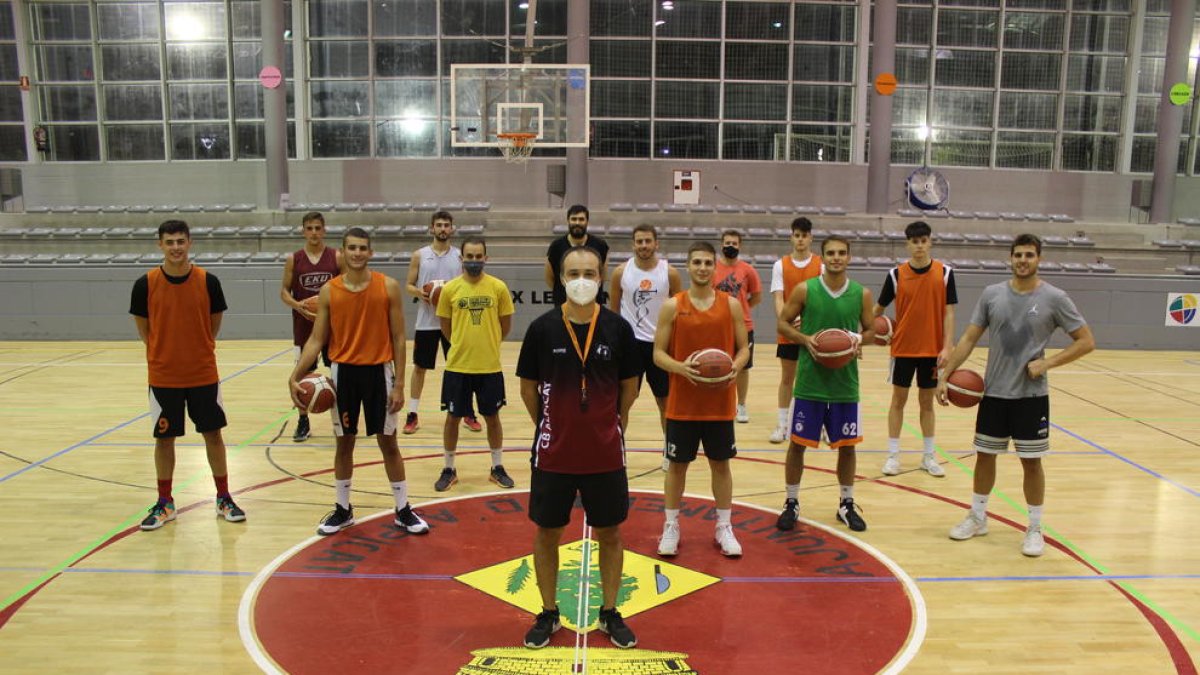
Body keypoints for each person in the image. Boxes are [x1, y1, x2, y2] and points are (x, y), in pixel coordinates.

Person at [939, 233, 1094, 557]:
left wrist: (1048, 362)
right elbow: (968, 338)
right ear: (1010, 259)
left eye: (1029, 255)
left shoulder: (1055, 298)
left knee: (1032, 463)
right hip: (994, 393)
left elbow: (1085, 340)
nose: (1023, 260)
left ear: (1039, 259)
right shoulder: (992, 295)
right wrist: (945, 375)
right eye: (1018, 255)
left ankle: (1034, 527)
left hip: (1031, 397)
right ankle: (978, 516)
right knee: (984, 456)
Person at [517, 246, 640, 650]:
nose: (582, 279)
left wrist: (610, 423)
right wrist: (552, 424)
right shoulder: (541, 329)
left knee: (610, 531)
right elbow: (528, 387)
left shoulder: (619, 329)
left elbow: (629, 386)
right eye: (574, 272)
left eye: (589, 272)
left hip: (605, 452)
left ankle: (609, 611)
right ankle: (549, 611)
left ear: (601, 277)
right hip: (555, 453)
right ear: (561, 278)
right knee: (547, 531)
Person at [288, 227, 430, 537]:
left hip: (380, 373)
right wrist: (295, 375)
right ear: (342, 252)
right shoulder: (329, 291)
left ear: (370, 252)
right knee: (344, 444)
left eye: (362, 248)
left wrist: (400, 384)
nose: (357, 253)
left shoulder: (388, 287)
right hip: (343, 374)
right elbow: (316, 339)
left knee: (388, 443)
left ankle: (403, 509)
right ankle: (343, 509)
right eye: (351, 248)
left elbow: (399, 338)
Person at [130, 220, 245, 531]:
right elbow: (144, 330)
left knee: (213, 435)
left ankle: (223, 496)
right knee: (164, 439)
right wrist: (163, 351)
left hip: (203, 373)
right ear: (160, 245)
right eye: (170, 242)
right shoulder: (145, 284)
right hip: (164, 375)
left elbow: (213, 325)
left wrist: (197, 348)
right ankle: (165, 502)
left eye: (181, 241)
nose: (176, 247)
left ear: (190, 243)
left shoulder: (209, 282)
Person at [653, 242, 750, 558]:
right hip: (683, 403)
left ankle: (724, 527)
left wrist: (734, 367)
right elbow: (657, 354)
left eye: (708, 262)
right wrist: (681, 368)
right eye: (697, 262)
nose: (703, 268)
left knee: (721, 465)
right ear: (688, 265)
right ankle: (671, 526)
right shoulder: (672, 305)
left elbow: (744, 348)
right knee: (677, 468)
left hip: (720, 402)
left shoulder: (731, 305)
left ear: (715, 266)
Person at [774, 235, 877, 533]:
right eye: (831, 253)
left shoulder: (861, 294)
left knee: (847, 447)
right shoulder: (806, 289)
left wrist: (856, 339)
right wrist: (805, 339)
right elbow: (782, 323)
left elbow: (871, 331)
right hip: (810, 382)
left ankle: (846, 503)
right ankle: (791, 502)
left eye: (842, 253)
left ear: (849, 257)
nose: (836, 258)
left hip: (845, 384)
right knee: (797, 445)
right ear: (823, 258)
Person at [875, 221, 957, 477]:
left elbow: (949, 313)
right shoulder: (895, 275)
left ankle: (928, 457)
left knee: (927, 404)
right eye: (914, 241)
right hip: (903, 350)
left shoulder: (945, 273)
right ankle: (893, 456)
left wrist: (947, 347)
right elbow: (878, 311)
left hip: (931, 350)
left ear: (930, 242)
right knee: (898, 401)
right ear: (907, 244)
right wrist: (870, 331)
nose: (919, 246)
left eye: (923, 241)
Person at [434, 237, 516, 491]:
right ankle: (449, 468)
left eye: (478, 256)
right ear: (461, 259)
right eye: (469, 256)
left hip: (489, 366)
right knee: (452, 418)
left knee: (492, 417)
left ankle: (497, 466)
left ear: (486, 258)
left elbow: (505, 326)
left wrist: (487, 343)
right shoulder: (450, 290)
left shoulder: (498, 288)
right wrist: (462, 344)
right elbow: (446, 328)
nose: (473, 261)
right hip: (458, 366)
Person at [402, 210, 481, 435]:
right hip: (426, 322)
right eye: (439, 225)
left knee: (461, 368)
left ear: (452, 229)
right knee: (419, 368)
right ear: (431, 228)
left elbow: (469, 282)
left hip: (454, 322)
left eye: (447, 225)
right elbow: (408, 285)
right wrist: (421, 292)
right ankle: (412, 414)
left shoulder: (459, 256)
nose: (443, 228)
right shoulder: (419, 255)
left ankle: (467, 411)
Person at [608, 224, 682, 432]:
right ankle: (617, 448)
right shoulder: (620, 273)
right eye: (639, 241)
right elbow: (614, 313)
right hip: (631, 346)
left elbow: (679, 311)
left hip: (661, 346)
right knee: (624, 402)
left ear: (656, 243)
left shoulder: (670, 273)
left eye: (648, 241)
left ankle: (670, 450)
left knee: (665, 403)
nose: (644, 245)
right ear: (633, 244)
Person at [279, 211, 345, 442]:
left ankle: (341, 420)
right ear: (303, 231)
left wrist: (332, 307)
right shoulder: (294, 259)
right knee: (301, 376)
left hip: (334, 329)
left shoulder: (336, 257)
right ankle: (303, 421)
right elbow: (284, 292)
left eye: (318, 228)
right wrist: (298, 305)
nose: (314, 232)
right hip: (303, 329)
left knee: (338, 375)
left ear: (324, 230)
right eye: (310, 228)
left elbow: (348, 288)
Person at [769, 217, 823, 444]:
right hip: (789, 331)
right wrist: (788, 321)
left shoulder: (820, 265)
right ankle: (783, 424)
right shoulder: (780, 265)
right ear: (792, 237)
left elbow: (823, 298)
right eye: (797, 235)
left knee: (813, 379)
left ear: (810, 238)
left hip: (813, 331)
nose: (800, 240)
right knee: (787, 378)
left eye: (804, 235)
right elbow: (778, 298)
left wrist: (810, 322)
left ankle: (815, 424)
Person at [713, 229, 762, 424]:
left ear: (739, 246)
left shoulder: (748, 270)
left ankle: (741, 405)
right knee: (716, 364)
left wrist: (739, 311)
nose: (730, 246)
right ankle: (719, 403)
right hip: (717, 325)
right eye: (727, 243)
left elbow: (757, 296)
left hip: (743, 326)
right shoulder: (713, 268)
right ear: (721, 244)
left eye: (734, 243)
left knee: (742, 367)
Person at [545, 204, 609, 306]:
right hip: (563, 305)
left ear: (587, 221)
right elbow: (549, 277)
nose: (577, 223)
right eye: (573, 219)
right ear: (568, 221)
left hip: (593, 304)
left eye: (581, 219)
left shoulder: (600, 245)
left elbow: (603, 276)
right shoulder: (556, 246)